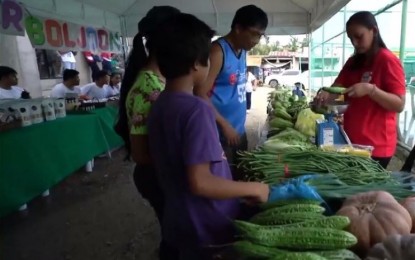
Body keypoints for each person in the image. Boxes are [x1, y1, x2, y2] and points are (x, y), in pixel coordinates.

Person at [148, 13, 270, 260]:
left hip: (179, 220)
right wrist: (253, 187)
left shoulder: (159, 104)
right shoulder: (197, 109)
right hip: (207, 226)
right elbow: (200, 182)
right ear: (197, 63)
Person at [113, 6, 181, 260]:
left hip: (165, 174)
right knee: (174, 238)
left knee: (174, 233)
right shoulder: (147, 86)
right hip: (157, 176)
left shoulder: (162, 79)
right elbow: (141, 154)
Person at [317, 11, 406, 169]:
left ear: (375, 31)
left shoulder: (387, 60)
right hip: (350, 141)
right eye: (351, 39)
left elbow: (399, 104)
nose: (355, 43)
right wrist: (325, 96)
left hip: (376, 147)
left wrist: (371, 90)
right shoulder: (352, 62)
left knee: (364, 192)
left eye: (359, 36)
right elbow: (338, 92)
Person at [194, 5, 268, 179]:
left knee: (241, 177)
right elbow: (200, 93)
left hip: (238, 131)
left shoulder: (242, 50)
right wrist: (224, 125)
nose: (257, 40)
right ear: (238, 28)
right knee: (224, 182)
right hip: (219, 133)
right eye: (254, 33)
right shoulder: (217, 51)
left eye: (260, 35)